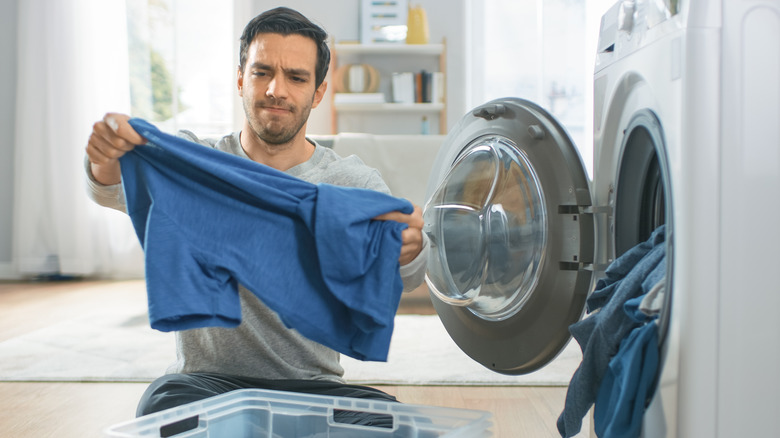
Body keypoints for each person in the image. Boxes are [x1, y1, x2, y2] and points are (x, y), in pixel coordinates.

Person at [85, 7, 427, 426]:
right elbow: (111, 189)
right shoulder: (200, 163)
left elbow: (408, 278)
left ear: (318, 92)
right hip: (208, 384)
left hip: (315, 389)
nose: (275, 90)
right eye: (262, 72)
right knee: (161, 405)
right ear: (240, 78)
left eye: (296, 78)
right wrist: (106, 158)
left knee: (396, 424)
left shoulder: (351, 180)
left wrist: (408, 250)